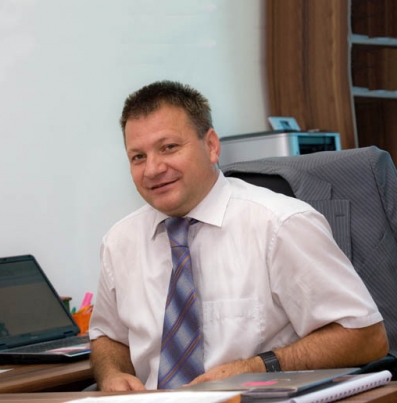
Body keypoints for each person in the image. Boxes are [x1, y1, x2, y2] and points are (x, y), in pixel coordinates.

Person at [89, 80, 389, 391]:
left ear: (211, 146)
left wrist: (254, 368)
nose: (152, 169)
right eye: (138, 157)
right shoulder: (119, 242)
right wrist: (111, 373)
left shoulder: (280, 224)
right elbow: (108, 336)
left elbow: (365, 337)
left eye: (169, 147)